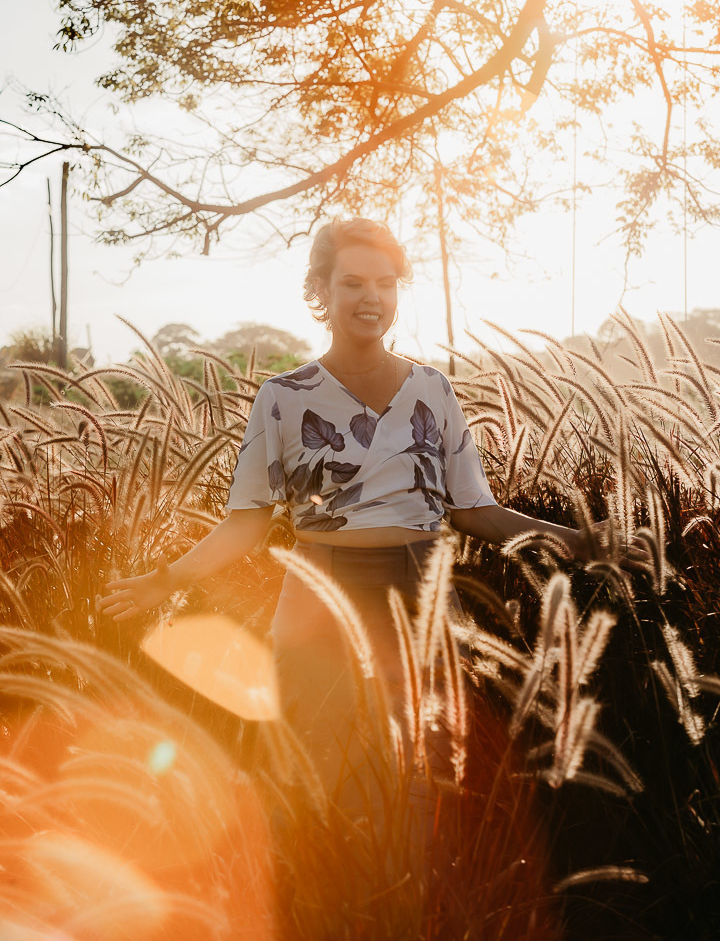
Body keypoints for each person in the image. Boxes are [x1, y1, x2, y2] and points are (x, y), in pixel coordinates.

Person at [99, 218, 646, 799]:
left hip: (421, 590)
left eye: (386, 283)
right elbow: (248, 521)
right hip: (319, 594)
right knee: (320, 777)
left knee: (426, 776)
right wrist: (167, 579)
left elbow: (474, 510)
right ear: (322, 292)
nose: (372, 298)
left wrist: (581, 540)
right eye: (354, 282)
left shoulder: (432, 390)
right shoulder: (283, 399)